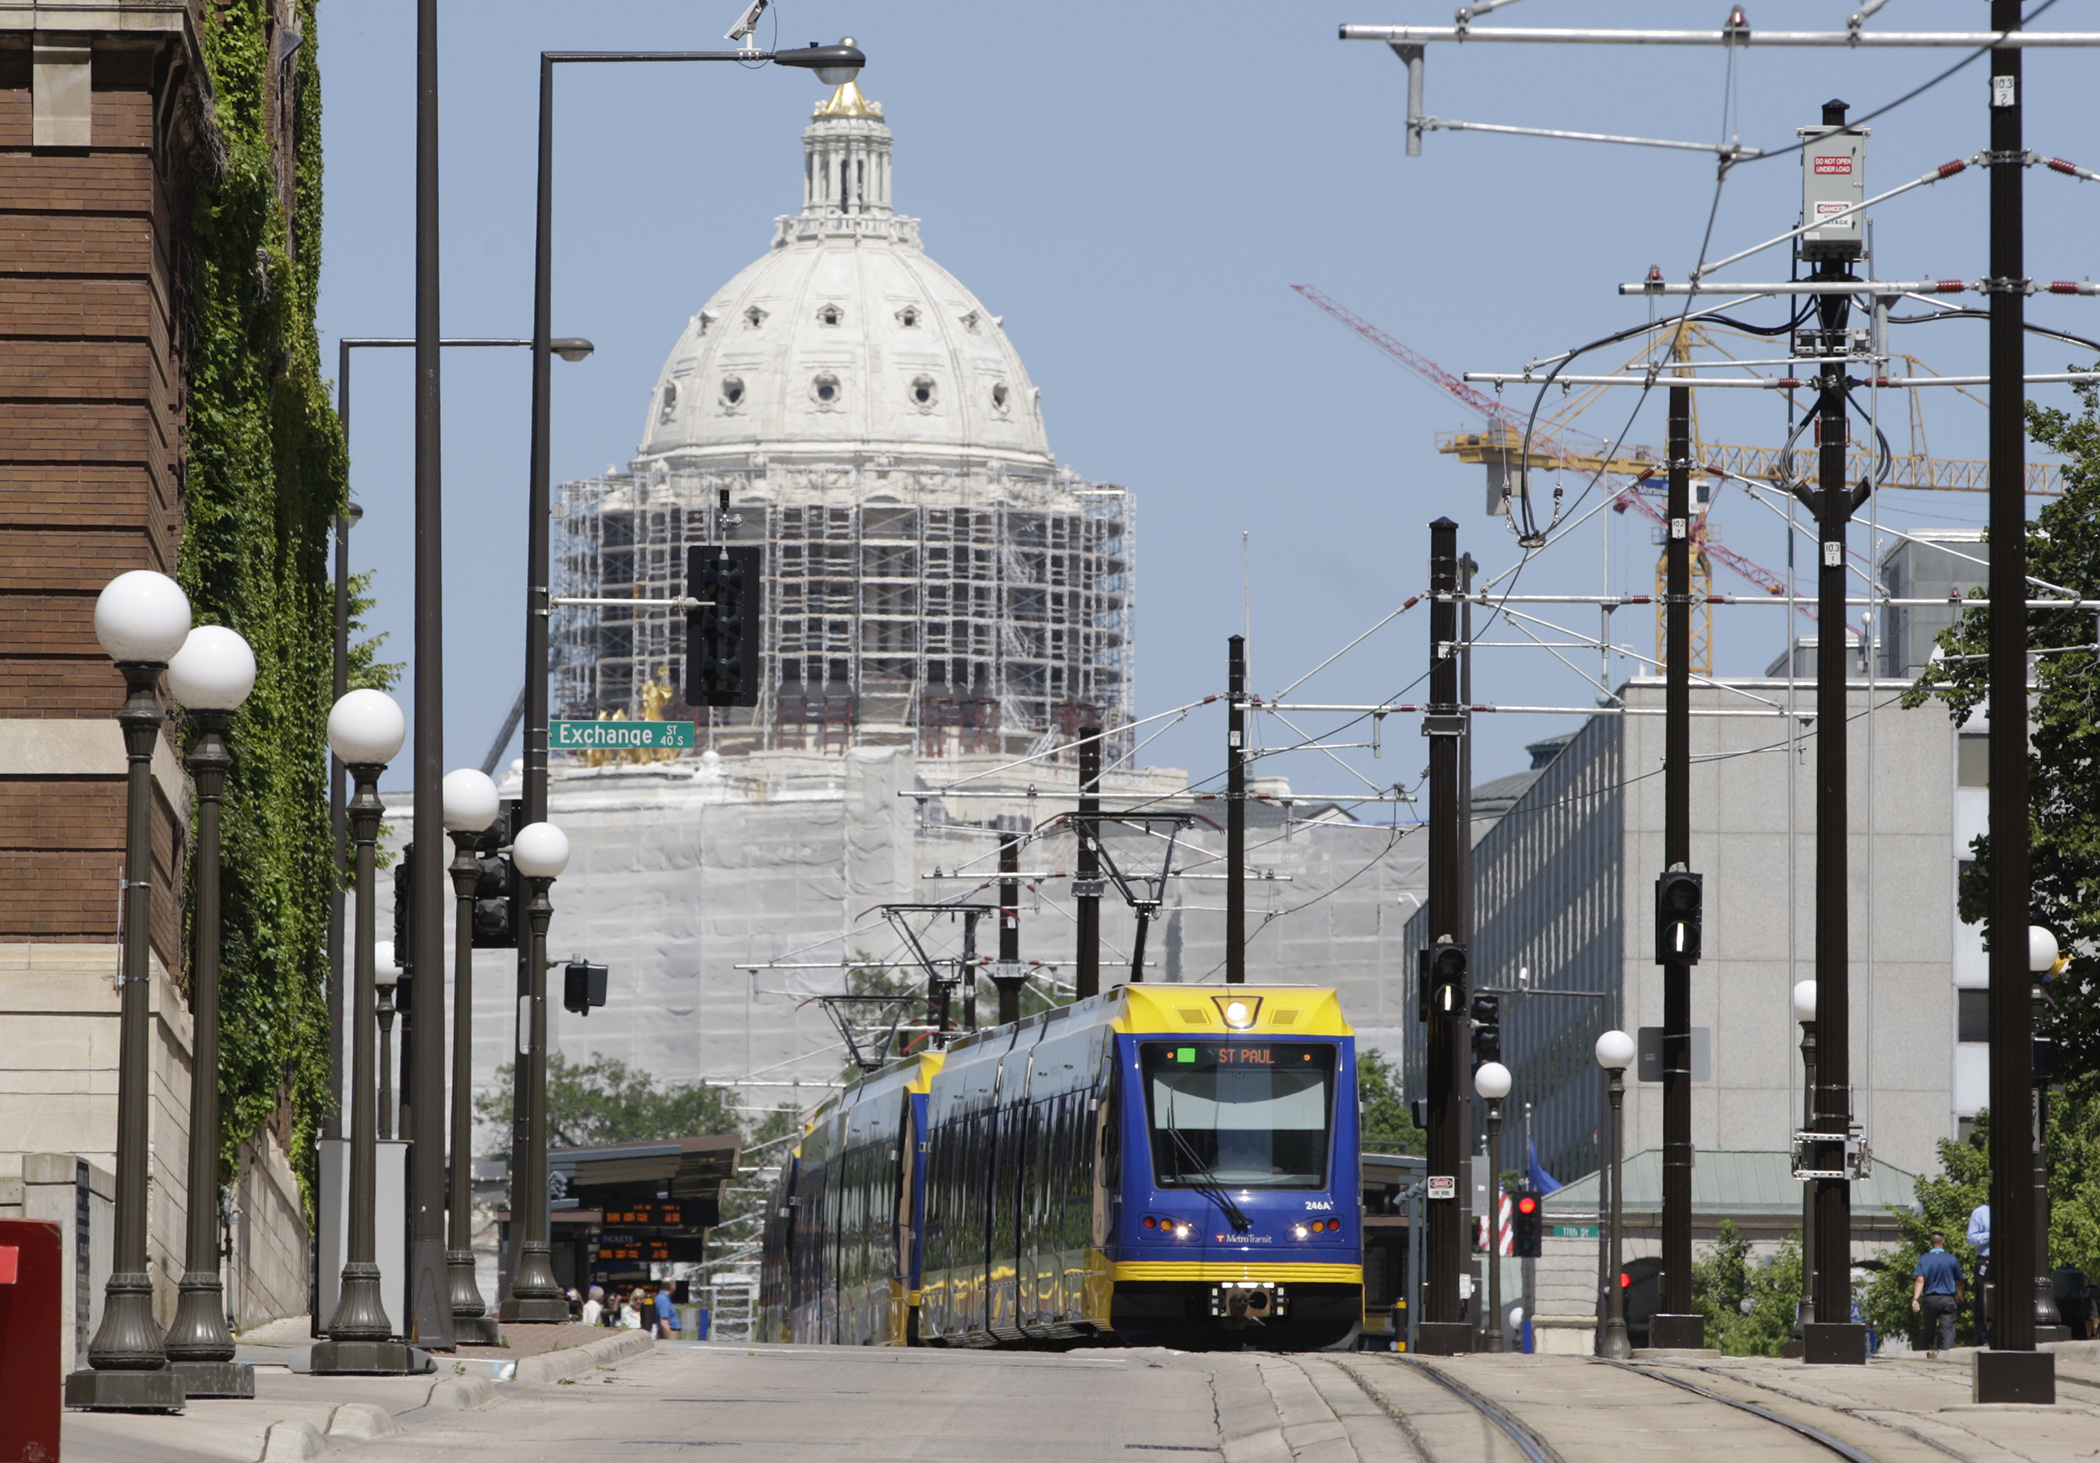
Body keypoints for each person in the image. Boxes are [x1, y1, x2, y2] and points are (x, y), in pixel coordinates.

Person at [1912, 1230, 1965, 1356]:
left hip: (1930, 1299)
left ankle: (1926, 1353)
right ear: (1944, 1242)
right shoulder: (1952, 1259)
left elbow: (1920, 1279)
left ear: (1931, 1243)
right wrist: (1960, 1294)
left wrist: (1915, 1299)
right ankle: (1947, 1355)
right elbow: (1960, 1280)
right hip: (1947, 1299)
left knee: (1928, 1329)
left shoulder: (1924, 1259)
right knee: (1948, 1330)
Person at [1967, 1201, 1991, 1347]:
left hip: (2007, 1262)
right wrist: (1992, 1233)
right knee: (1983, 1301)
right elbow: (1971, 1238)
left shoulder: (2011, 1211)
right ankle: (1983, 1339)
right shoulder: (1979, 1213)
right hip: (1986, 1262)